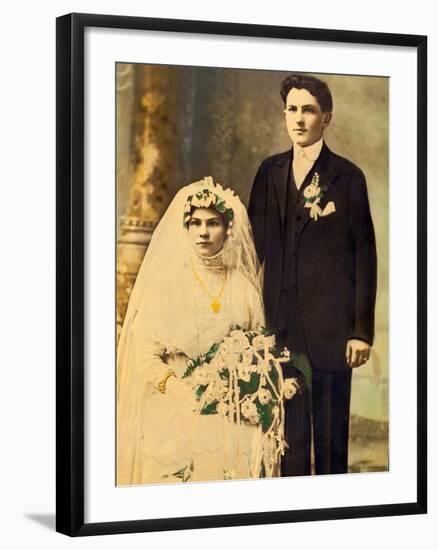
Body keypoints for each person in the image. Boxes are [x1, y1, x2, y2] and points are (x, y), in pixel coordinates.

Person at [117, 177, 288, 485]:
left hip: (230, 412)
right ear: (186, 228)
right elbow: (144, 354)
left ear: (228, 230)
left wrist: (239, 391)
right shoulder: (167, 284)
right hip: (175, 404)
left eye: (213, 223)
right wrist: (181, 392)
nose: (204, 232)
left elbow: (260, 350)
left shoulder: (243, 287)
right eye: (195, 223)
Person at [248, 74, 377, 476]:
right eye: (292, 109)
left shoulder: (347, 177)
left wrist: (361, 331)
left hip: (331, 333)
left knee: (330, 443)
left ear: (327, 118)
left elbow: (364, 258)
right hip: (279, 329)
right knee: (288, 440)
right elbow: (253, 250)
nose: (299, 119)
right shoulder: (270, 172)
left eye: (309, 110)